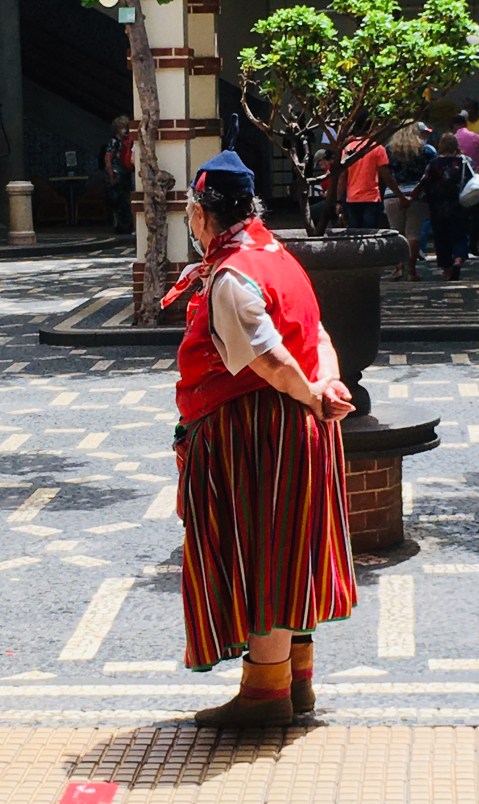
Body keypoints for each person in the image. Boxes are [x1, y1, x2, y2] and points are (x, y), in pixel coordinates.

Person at [161, 134, 357, 730]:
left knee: (263, 550)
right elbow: (317, 333)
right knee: (292, 548)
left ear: (202, 215)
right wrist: (327, 385)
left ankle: (265, 694)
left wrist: (311, 393)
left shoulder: (232, 276)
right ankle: (297, 680)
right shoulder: (276, 254)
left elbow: (270, 359)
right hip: (298, 423)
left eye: (190, 213)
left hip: (259, 431)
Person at [410, 132, 467, 281]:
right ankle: (458, 260)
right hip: (459, 204)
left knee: (441, 238)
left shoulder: (434, 163)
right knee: (460, 235)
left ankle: (447, 270)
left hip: (438, 206)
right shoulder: (463, 162)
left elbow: (424, 182)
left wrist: (412, 197)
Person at [384, 121, 436, 280]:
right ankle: (411, 270)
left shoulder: (389, 150)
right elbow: (431, 174)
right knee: (413, 233)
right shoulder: (427, 150)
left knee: (396, 232)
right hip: (418, 195)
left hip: (392, 195)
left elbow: (385, 174)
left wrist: (399, 194)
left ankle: (399, 266)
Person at [339, 131, 408, 229]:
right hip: (371, 198)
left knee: (354, 233)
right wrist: (400, 196)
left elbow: (342, 177)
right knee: (370, 233)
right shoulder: (376, 148)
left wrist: (338, 200)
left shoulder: (348, 149)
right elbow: (386, 176)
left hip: (351, 199)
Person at [451, 112, 479, 256]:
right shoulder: (475, 137)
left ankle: (462, 245)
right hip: (475, 180)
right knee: (478, 214)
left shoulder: (452, 139)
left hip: (458, 181)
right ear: (466, 124)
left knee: (461, 215)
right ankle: (474, 241)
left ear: (454, 125)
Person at [104, 115, 135, 234]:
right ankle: (119, 225)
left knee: (125, 200)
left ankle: (126, 225)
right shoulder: (114, 142)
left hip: (125, 173)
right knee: (117, 200)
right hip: (117, 174)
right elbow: (108, 158)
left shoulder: (126, 141)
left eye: (126, 127)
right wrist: (111, 175)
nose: (125, 130)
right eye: (122, 127)